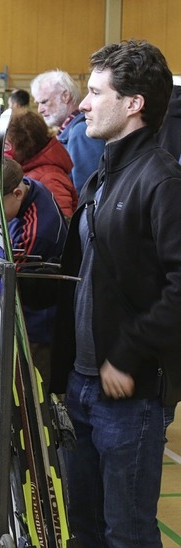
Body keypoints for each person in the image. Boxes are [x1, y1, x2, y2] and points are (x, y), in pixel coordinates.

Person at [51, 40, 181, 547]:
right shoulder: (105, 173)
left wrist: (127, 355)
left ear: (133, 104)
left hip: (129, 393)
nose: (83, 103)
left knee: (125, 532)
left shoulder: (161, 180)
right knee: (83, 527)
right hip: (81, 384)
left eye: (95, 92)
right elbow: (91, 270)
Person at [1, 157, 67, 386]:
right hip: (30, 310)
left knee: (33, 386)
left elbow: (11, 278)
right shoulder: (28, 185)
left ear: (17, 194)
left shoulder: (37, 231)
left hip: (37, 322)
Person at [31, 70, 104, 193]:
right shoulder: (69, 131)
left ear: (65, 96)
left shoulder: (81, 131)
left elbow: (86, 190)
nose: (39, 110)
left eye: (44, 102)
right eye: (38, 103)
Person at [5, 109, 77, 218]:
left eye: (6, 146)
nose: (3, 152)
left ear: (24, 144)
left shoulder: (49, 178)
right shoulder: (30, 169)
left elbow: (62, 223)